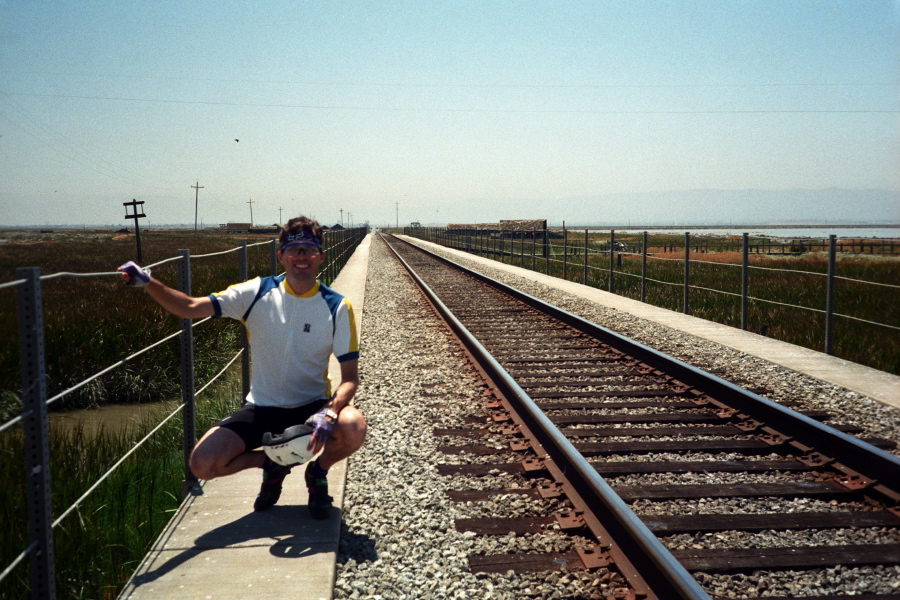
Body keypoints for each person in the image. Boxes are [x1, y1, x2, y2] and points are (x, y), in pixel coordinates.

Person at [118, 216, 366, 519]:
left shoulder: (337, 306)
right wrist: (148, 282)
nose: (301, 256)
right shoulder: (256, 293)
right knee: (202, 464)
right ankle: (271, 465)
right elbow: (190, 307)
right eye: (294, 249)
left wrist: (328, 412)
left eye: (309, 249)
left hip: (310, 407)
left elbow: (350, 378)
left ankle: (318, 472)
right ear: (281, 257)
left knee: (354, 426)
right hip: (262, 408)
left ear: (321, 257)